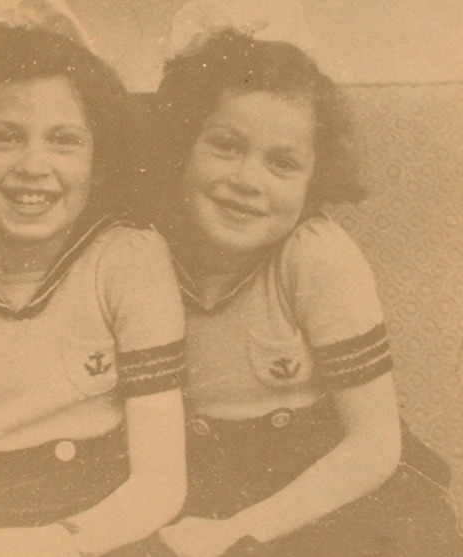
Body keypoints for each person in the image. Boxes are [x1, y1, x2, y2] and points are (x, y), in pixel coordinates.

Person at [149, 28, 463, 557]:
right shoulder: (143, 254)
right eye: (227, 147)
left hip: (341, 488)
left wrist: (241, 529)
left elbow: (374, 445)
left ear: (314, 179)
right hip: (208, 490)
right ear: (182, 146)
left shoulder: (315, 256)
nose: (248, 180)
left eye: (283, 163)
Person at [0, 26, 187, 557]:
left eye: (64, 140)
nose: (33, 167)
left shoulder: (130, 259)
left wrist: (59, 544)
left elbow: (160, 483)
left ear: (99, 162)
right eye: (5, 137)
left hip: (108, 531)